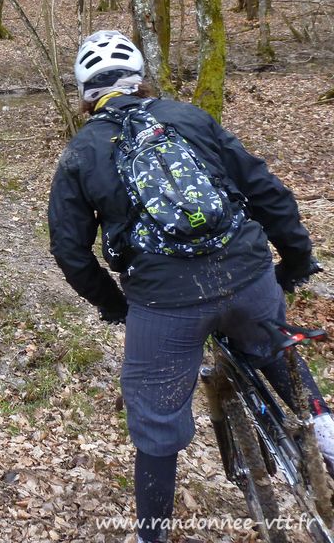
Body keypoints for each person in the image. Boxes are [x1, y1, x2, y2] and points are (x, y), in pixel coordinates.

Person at [47, 30, 326, 542]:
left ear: (86, 94)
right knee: (276, 352)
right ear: (140, 79)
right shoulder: (189, 117)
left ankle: (152, 535)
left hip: (165, 303)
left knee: (156, 426)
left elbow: (70, 251)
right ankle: (325, 435)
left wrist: (118, 307)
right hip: (247, 273)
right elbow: (266, 190)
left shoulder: (81, 151)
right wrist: (295, 261)